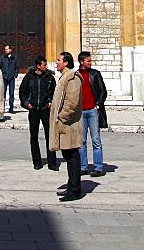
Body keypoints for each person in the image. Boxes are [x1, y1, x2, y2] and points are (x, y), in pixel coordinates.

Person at [49, 51, 83, 202]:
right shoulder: (65, 76)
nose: (56, 63)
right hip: (64, 124)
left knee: (72, 157)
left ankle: (75, 190)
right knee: (69, 157)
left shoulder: (73, 78)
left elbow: (72, 102)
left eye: (58, 60)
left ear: (66, 62)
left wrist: (62, 117)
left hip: (68, 124)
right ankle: (71, 187)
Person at [18, 55, 58, 171]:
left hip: (46, 109)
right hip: (34, 109)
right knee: (34, 136)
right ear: (38, 66)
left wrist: (50, 102)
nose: (46, 67)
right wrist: (26, 103)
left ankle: (52, 162)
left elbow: (54, 91)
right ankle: (37, 161)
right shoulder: (29, 77)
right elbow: (22, 91)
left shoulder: (49, 77)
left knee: (49, 136)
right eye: (44, 65)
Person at [77, 50, 107, 177]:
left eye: (90, 61)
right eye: (88, 61)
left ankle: (98, 167)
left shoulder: (95, 74)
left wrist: (97, 104)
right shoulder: (76, 75)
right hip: (80, 112)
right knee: (81, 141)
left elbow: (102, 91)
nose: (90, 63)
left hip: (92, 110)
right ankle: (83, 167)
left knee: (96, 140)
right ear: (81, 62)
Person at [0, 44, 19, 113]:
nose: (5, 50)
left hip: (11, 78)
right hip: (4, 77)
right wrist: (1, 75)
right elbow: (0, 66)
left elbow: (17, 67)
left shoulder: (15, 58)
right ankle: (2, 108)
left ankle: (11, 108)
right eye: (5, 49)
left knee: (11, 94)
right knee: (3, 93)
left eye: (7, 49)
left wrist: (15, 75)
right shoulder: (2, 57)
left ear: (10, 50)